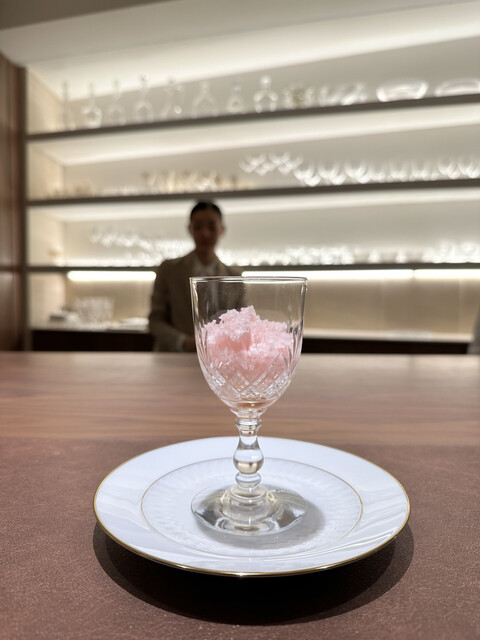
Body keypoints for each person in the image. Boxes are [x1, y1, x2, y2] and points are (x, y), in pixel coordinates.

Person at [148, 201, 241, 352]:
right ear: (190, 229)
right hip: (175, 356)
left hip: (219, 357)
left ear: (222, 230)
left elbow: (240, 322)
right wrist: (183, 341)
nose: (205, 233)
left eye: (211, 227)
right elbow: (155, 320)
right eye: (198, 227)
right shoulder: (169, 270)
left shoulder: (234, 276)